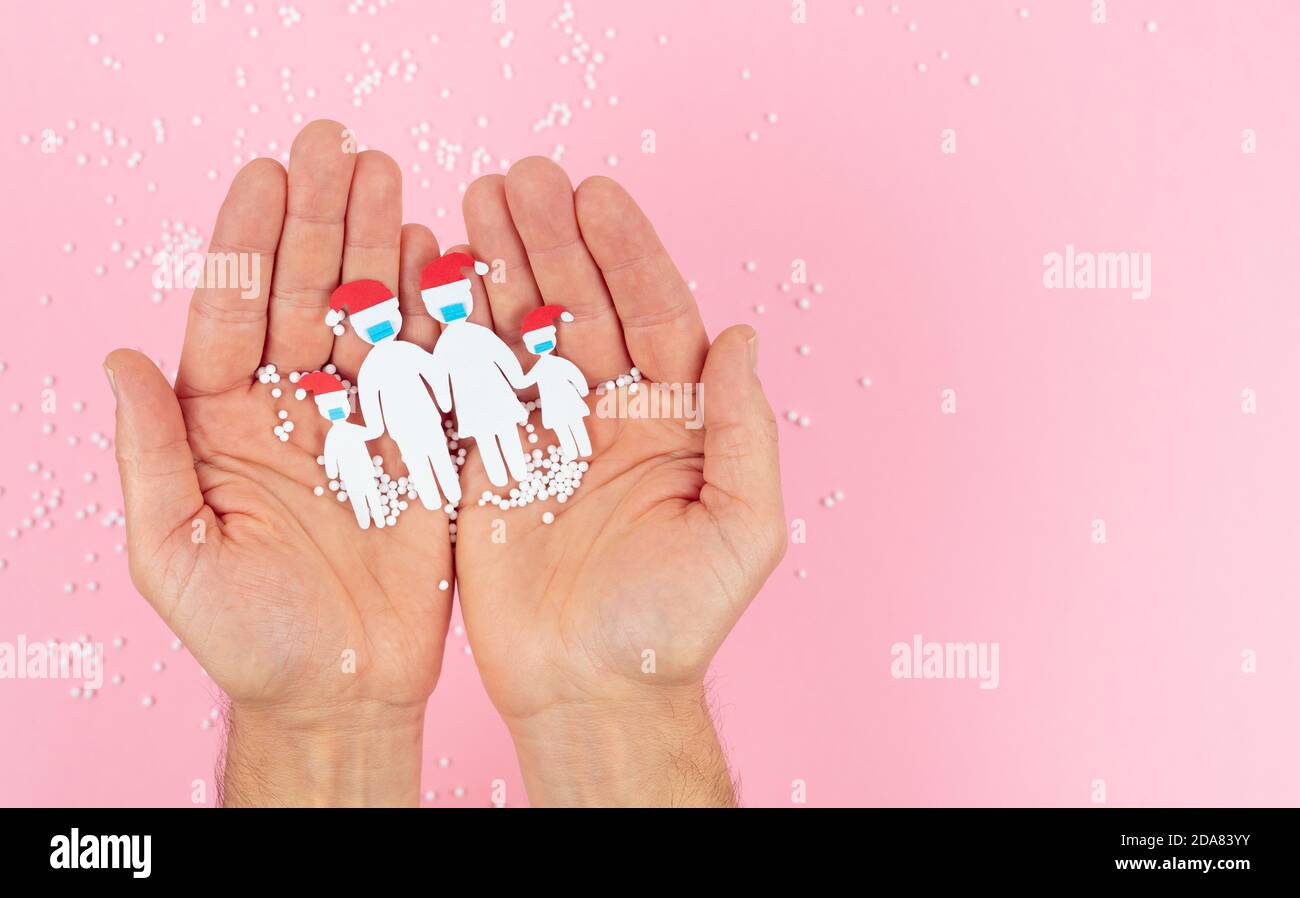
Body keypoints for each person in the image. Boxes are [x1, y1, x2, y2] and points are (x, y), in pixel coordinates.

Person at [103, 120, 786, 806]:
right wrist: (308, 713)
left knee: (469, 457)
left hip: (472, 421)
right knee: (424, 472)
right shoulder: (388, 367)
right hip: (413, 433)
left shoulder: (437, 352)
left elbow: (460, 378)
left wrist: (619, 699)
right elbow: (395, 394)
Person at [329, 278, 462, 509]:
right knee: (423, 455)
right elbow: (433, 372)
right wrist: (443, 401)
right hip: (408, 422)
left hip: (417, 419)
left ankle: (446, 492)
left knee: (429, 453)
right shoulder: (377, 363)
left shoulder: (393, 356)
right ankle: (439, 494)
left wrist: (443, 400)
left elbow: (432, 371)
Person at [420, 252, 530, 488]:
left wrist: (445, 401)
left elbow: (501, 354)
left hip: (486, 393)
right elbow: (441, 373)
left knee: (501, 431)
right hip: (474, 397)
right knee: (489, 435)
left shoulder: (468, 337)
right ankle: (504, 473)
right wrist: (445, 400)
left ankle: (515, 469)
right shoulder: (448, 343)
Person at [300, 370, 386, 529]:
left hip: (363, 470)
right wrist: (332, 469)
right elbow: (330, 453)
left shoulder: (345, 431)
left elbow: (372, 432)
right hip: (351, 473)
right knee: (359, 496)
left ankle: (378, 519)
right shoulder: (334, 435)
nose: (335, 410)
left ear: (348, 405)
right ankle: (366, 521)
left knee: (370, 494)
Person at [517, 304, 592, 461]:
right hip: (554, 405)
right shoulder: (540, 367)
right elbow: (525, 381)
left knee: (575, 424)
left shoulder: (558, 363)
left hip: (566, 399)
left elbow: (574, 373)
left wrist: (582, 388)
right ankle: (572, 451)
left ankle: (584, 448)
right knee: (563, 428)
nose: (541, 345)